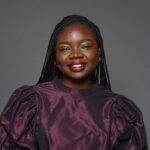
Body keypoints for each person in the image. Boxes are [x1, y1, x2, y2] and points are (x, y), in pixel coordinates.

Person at [0, 15, 148, 150]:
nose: (76, 54)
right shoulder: (30, 104)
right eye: (65, 48)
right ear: (55, 57)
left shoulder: (121, 111)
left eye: (85, 46)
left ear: (99, 53)